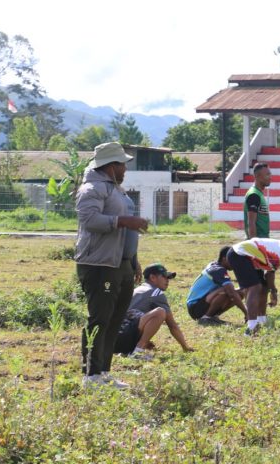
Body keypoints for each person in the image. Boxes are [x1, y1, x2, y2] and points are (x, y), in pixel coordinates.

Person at [75, 141, 149, 389]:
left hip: (121, 264)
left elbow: (126, 233)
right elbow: (89, 220)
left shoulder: (116, 189)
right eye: (122, 164)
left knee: (115, 320)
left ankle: (104, 372)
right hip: (100, 264)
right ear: (111, 165)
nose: (125, 168)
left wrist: (133, 260)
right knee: (100, 319)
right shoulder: (93, 188)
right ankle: (90, 375)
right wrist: (123, 220)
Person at [115, 263, 194, 359]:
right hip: (126, 335)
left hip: (115, 339)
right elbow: (172, 325)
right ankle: (138, 351)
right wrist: (185, 347)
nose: (167, 281)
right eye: (164, 277)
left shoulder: (137, 289)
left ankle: (132, 348)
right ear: (152, 277)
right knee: (160, 312)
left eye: (168, 278)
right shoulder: (156, 293)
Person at [243, 162, 276, 308]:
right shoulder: (254, 195)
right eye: (267, 174)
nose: (270, 177)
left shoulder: (259, 194)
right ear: (257, 176)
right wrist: (255, 247)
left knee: (262, 282)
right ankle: (251, 315)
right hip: (258, 245)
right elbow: (251, 223)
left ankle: (261, 313)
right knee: (255, 284)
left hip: (264, 243)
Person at [186, 246, 247, 325]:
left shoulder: (215, 265)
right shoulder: (218, 270)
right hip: (195, 307)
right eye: (233, 260)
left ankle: (213, 316)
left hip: (201, 303)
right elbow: (231, 293)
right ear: (224, 258)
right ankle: (206, 318)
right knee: (227, 291)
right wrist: (247, 313)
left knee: (240, 292)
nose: (236, 263)